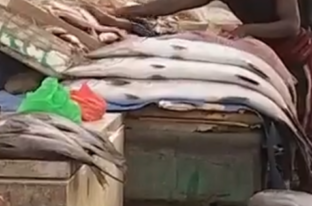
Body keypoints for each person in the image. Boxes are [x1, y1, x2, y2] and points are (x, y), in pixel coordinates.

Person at [110, 0, 310, 130]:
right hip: (261, 53)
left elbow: (290, 25)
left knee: (299, 121)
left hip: (296, 57)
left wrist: (247, 29)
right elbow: (171, 4)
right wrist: (130, 11)